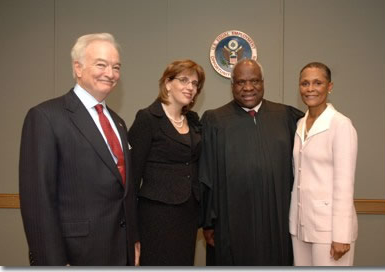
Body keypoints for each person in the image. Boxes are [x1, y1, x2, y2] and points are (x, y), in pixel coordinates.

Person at [19, 33, 139, 266]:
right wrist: (52, 263)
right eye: (101, 64)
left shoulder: (118, 122)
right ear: (78, 68)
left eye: (116, 67)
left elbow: (126, 190)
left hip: (119, 252)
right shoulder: (46, 117)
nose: (111, 73)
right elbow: (38, 201)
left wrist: (132, 242)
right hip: (75, 256)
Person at [199, 58, 304, 265]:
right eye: (240, 82)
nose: (248, 87)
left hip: (278, 220)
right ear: (232, 86)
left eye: (254, 81)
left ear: (263, 82)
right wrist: (208, 222)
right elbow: (206, 173)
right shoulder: (215, 120)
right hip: (231, 222)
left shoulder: (286, 117)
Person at [127, 59, 205, 265]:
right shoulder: (147, 119)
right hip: (156, 217)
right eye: (184, 80)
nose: (190, 87)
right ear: (167, 83)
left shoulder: (194, 120)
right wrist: (131, 231)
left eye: (195, 83)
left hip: (188, 215)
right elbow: (131, 179)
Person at [289, 62, 358, 266]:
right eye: (305, 83)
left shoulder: (341, 125)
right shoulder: (300, 124)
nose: (310, 89)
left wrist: (342, 235)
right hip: (301, 225)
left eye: (317, 83)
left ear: (329, 86)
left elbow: (344, 184)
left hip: (329, 229)